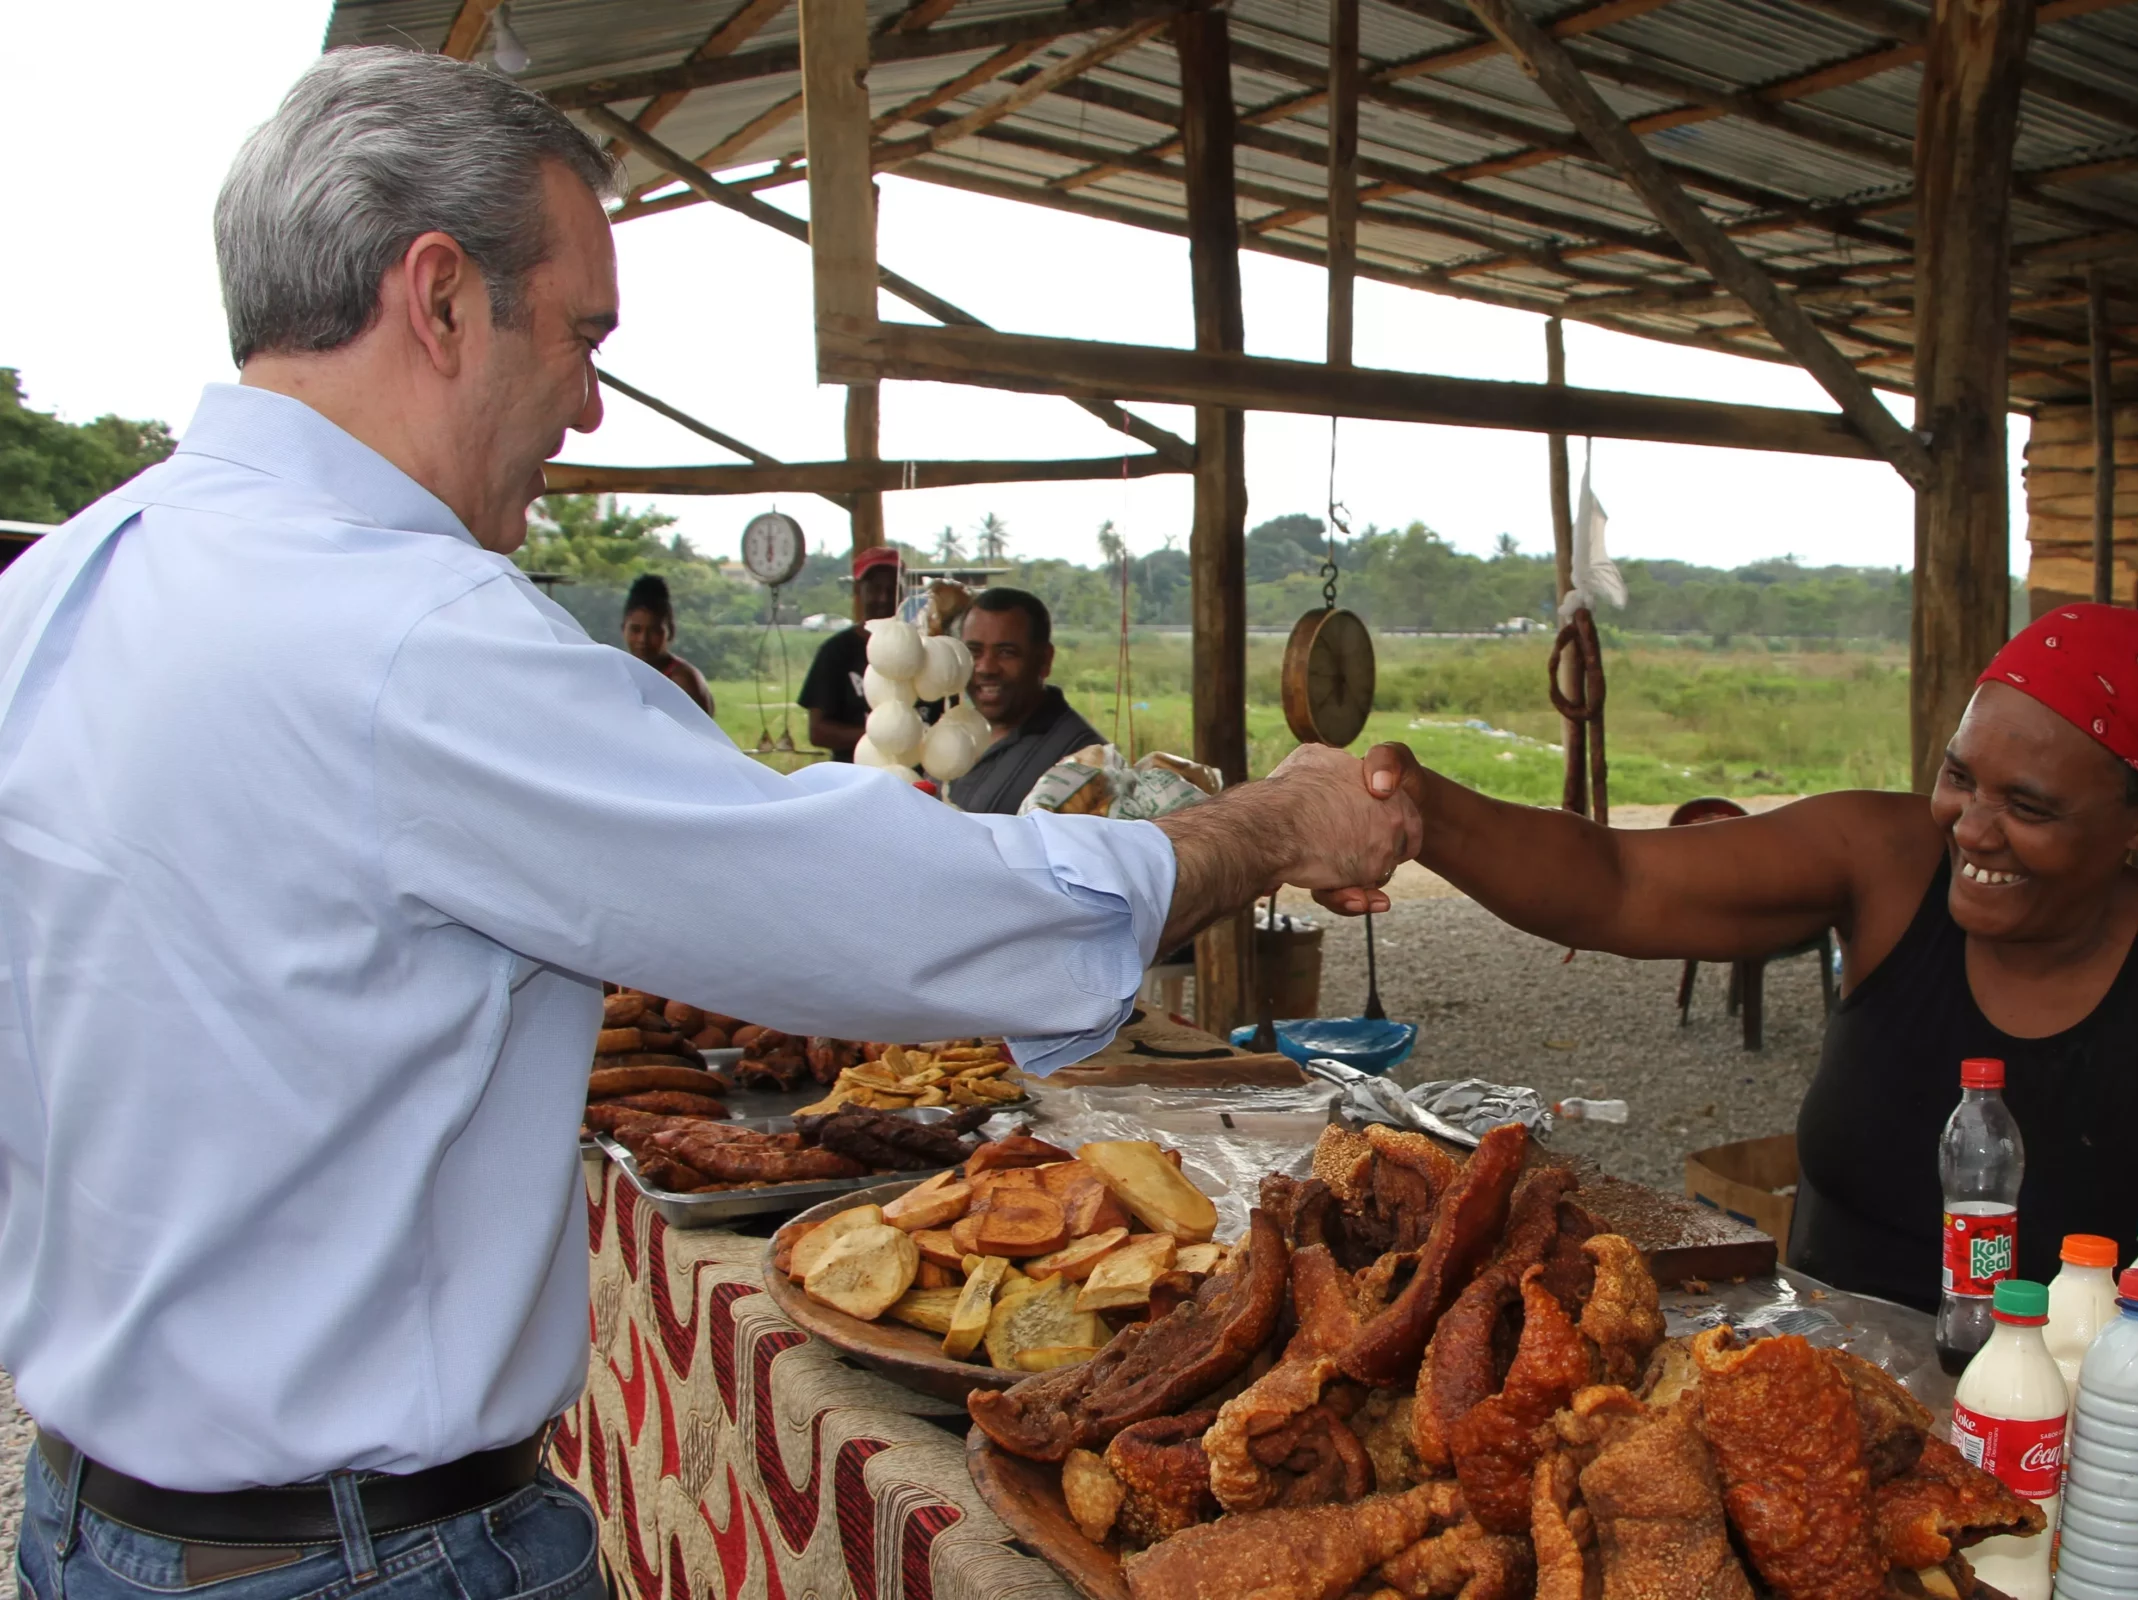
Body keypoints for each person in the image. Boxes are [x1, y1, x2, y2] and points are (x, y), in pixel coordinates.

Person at [0, 49, 1418, 1600]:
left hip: (96, 1530)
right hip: (357, 1560)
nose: (589, 402)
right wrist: (1261, 835)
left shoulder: (62, 589)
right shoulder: (408, 638)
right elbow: (857, 902)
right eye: (579, 334)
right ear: (439, 298)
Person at [1348, 604, 2138, 1312]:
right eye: (1957, 776)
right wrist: (1422, 812)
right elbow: (1614, 881)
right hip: (1813, 1422)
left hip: (2065, 1478)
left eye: (2028, 807)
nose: (1971, 830)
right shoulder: (1887, 863)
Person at [948, 587, 1103, 816]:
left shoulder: (1082, 760)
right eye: (974, 652)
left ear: (1044, 660)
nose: (986, 668)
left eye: (1006, 652)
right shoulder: (953, 727)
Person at [799, 544, 900, 759]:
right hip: (855, 777)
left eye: (892, 590)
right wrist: (881, 736)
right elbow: (818, 732)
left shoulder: (923, 649)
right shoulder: (835, 652)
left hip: (916, 783)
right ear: (857, 591)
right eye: (874, 589)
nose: (883, 598)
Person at [620, 572, 713, 715]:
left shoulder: (682, 682)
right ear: (623, 629)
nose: (643, 639)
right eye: (635, 630)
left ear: (671, 632)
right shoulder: (617, 673)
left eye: (654, 631)